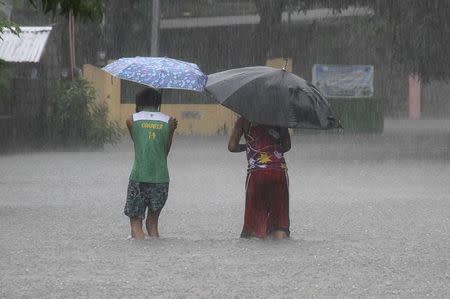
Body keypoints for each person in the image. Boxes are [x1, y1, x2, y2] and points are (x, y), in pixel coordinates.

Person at [124, 88, 177, 240]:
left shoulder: (131, 120)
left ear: (139, 103)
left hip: (139, 177)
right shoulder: (169, 121)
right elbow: (163, 153)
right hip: (161, 179)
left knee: (135, 224)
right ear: (158, 103)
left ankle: (141, 260)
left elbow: (140, 146)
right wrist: (170, 131)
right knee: (152, 225)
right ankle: (156, 258)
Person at [228, 117, 291, 240]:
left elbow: (232, 146)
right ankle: (281, 254)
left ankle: (255, 255)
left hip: (256, 174)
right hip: (278, 172)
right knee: (279, 224)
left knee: (253, 228)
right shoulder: (280, 117)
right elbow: (287, 145)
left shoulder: (244, 120)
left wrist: (248, 146)